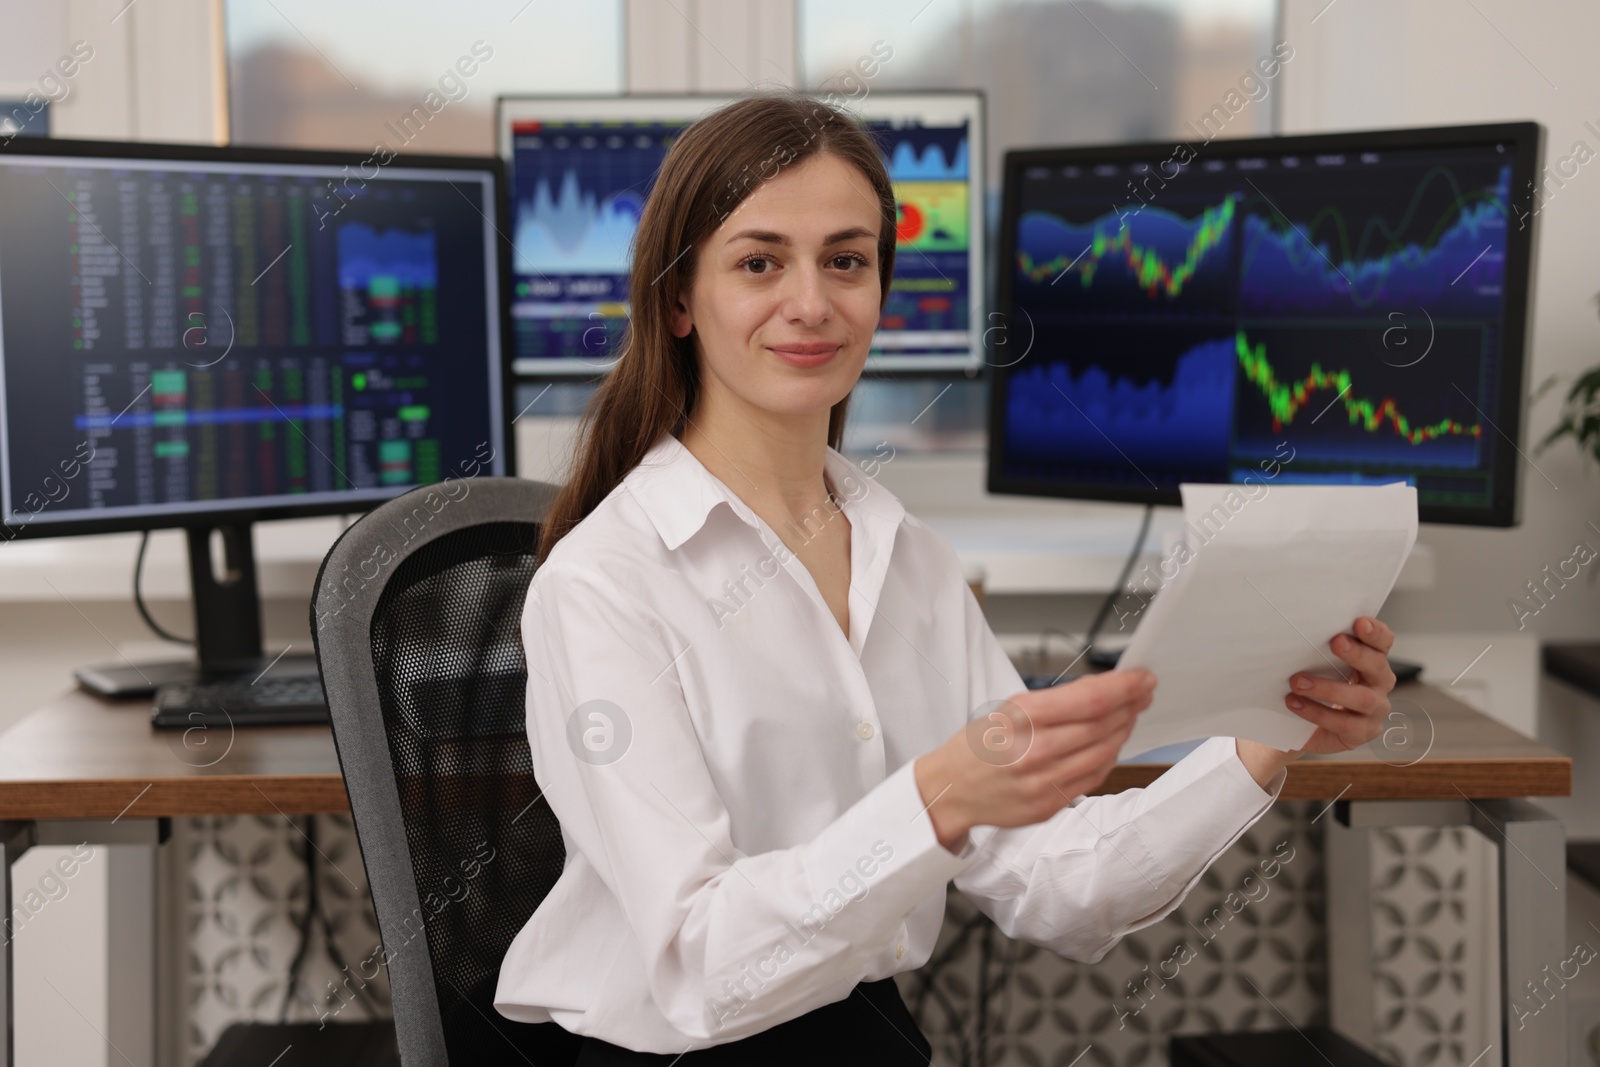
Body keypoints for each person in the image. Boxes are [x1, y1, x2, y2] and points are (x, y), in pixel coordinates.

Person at [493, 91, 1397, 1065]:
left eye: (846, 260)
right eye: (759, 262)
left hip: (864, 1030)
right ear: (678, 299)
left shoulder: (907, 557)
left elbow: (1059, 882)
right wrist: (935, 798)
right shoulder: (605, 582)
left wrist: (1268, 732)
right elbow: (703, 963)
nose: (811, 302)